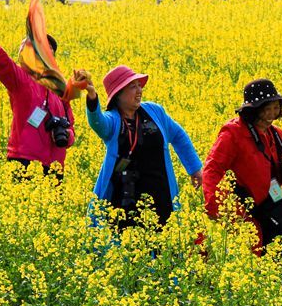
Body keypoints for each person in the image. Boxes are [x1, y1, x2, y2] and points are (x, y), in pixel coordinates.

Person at [0, 10, 83, 183]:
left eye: (50, 50)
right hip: (24, 160)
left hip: (54, 166)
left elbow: (70, 125)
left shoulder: (60, 89)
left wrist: (67, 135)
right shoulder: (20, 80)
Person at [202, 79, 282, 251]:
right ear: (252, 111)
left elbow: (275, 172)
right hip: (244, 205)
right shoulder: (233, 134)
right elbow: (212, 168)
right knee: (255, 248)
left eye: (276, 108)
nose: (271, 115)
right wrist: (215, 206)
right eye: (266, 109)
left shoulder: (276, 134)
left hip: (272, 197)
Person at [81, 65, 202, 229]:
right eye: (133, 87)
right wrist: (92, 96)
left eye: (139, 85)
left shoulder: (155, 111)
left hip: (161, 193)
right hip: (124, 197)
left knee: (164, 240)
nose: (139, 90)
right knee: (129, 243)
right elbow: (98, 123)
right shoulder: (113, 120)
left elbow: (178, 135)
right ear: (118, 94)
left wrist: (194, 169)